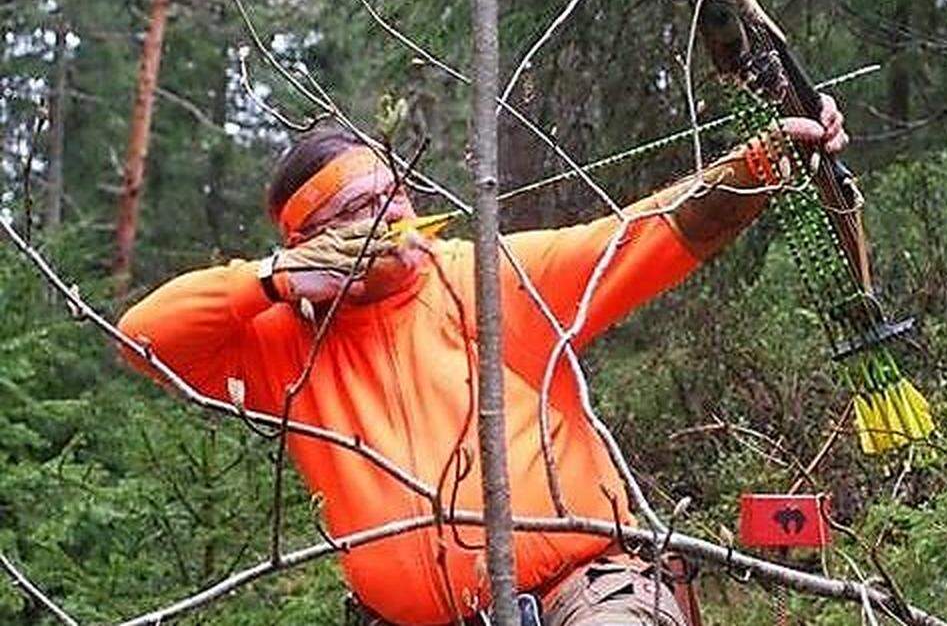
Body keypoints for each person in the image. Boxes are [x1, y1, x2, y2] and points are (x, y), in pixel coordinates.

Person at [117, 93, 847, 624]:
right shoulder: (284, 345)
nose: (392, 215)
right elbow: (143, 338)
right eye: (357, 210)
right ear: (310, 242)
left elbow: (644, 236)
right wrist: (271, 279)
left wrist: (764, 159)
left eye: (392, 193)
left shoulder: (487, 276)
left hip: (584, 591)